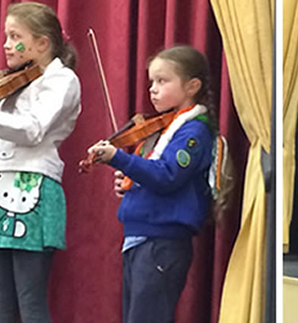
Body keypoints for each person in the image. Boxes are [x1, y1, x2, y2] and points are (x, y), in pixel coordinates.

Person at [0, 2, 80, 322]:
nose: (7, 44)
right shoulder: (12, 83)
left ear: (42, 43)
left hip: (32, 185)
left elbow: (33, 129)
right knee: (0, 302)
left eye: (15, 36)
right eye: (7, 36)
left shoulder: (62, 80)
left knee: (30, 299)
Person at [86, 45, 215, 323]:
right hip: (140, 239)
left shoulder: (194, 130)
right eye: (151, 82)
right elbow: (150, 174)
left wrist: (119, 158)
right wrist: (130, 183)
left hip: (162, 243)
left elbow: (167, 175)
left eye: (162, 81)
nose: (152, 89)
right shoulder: (162, 129)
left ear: (192, 86)